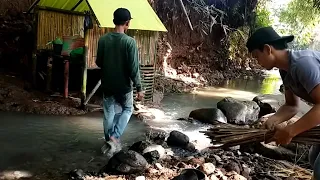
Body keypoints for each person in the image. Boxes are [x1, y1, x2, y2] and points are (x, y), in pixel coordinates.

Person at [246, 26, 320, 179]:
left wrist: (291, 130)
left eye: (256, 56)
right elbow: (292, 106)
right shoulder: (285, 70)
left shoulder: (302, 64)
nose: (256, 61)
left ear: (267, 49)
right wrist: (274, 119)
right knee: (314, 158)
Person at [96, 8, 144, 147]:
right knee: (128, 109)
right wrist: (139, 88)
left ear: (114, 21)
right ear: (127, 23)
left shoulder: (103, 40)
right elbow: (133, 67)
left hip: (107, 84)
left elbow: (99, 62)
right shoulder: (129, 42)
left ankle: (108, 139)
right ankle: (115, 136)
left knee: (109, 112)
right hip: (124, 86)